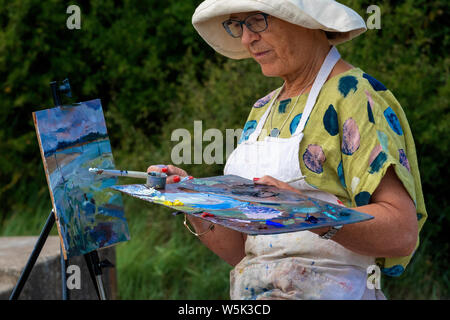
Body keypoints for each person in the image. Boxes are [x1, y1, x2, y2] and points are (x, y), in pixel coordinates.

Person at [148, 0, 427, 300]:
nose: (246, 38)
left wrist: (306, 213)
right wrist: (191, 201)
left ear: (304, 19)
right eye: (238, 25)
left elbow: (401, 233)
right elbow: (248, 251)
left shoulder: (355, 96)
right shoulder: (262, 110)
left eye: (256, 20)